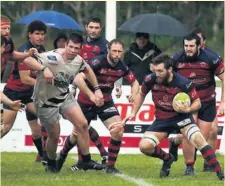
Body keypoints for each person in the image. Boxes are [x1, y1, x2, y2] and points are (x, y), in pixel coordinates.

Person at [123, 53, 224, 180]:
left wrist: (187, 109)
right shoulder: (150, 79)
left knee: (199, 140)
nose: (157, 74)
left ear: (169, 69)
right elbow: (141, 94)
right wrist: (133, 112)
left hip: (182, 118)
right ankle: (168, 158)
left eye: (160, 71)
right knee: (144, 146)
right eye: (155, 70)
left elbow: (197, 102)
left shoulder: (183, 83)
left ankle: (219, 173)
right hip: (162, 120)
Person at [23, 33, 104, 173]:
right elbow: (27, 59)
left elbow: (88, 70)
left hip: (64, 96)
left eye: (76, 48)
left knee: (83, 124)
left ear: (80, 49)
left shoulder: (78, 60)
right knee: (54, 135)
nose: (72, 50)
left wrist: (97, 89)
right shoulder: (52, 57)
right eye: (70, 47)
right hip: (45, 101)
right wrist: (44, 69)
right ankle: (51, 162)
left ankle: (85, 160)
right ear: (65, 45)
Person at [57, 39, 139, 174]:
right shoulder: (97, 62)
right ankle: (62, 156)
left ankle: (110, 166)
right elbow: (78, 79)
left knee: (118, 129)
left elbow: (135, 82)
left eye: (119, 51)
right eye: (114, 51)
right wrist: (92, 95)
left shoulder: (122, 67)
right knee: (76, 134)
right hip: (86, 101)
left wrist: (133, 93)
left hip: (105, 103)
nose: (117, 54)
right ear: (108, 50)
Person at [169, 33, 224, 175]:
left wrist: (223, 102)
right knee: (189, 134)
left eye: (191, 46)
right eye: (186, 45)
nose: (188, 49)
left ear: (199, 45)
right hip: (188, 102)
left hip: (206, 101)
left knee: (200, 137)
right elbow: (168, 79)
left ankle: (174, 141)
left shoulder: (211, 58)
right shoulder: (176, 59)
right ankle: (189, 167)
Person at [1, 20, 48, 164]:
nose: (40, 37)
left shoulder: (40, 49)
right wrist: (48, 84)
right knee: (6, 127)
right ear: (29, 35)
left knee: (44, 121)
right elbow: (25, 78)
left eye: (42, 34)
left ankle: (43, 157)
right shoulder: (23, 49)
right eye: (37, 34)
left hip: (30, 94)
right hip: (14, 92)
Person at [72, 17, 109, 164]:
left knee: (81, 126)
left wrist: (117, 85)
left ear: (100, 29)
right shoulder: (79, 43)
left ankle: (84, 160)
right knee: (82, 125)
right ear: (86, 27)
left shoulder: (105, 45)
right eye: (91, 27)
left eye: (96, 27)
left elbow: (115, 63)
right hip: (81, 87)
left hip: (98, 90)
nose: (93, 30)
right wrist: (73, 86)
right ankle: (94, 156)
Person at [1, 15, 37, 80]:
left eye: (9, 28)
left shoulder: (8, 40)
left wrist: (27, 54)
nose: (7, 31)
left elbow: (11, 54)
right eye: (4, 28)